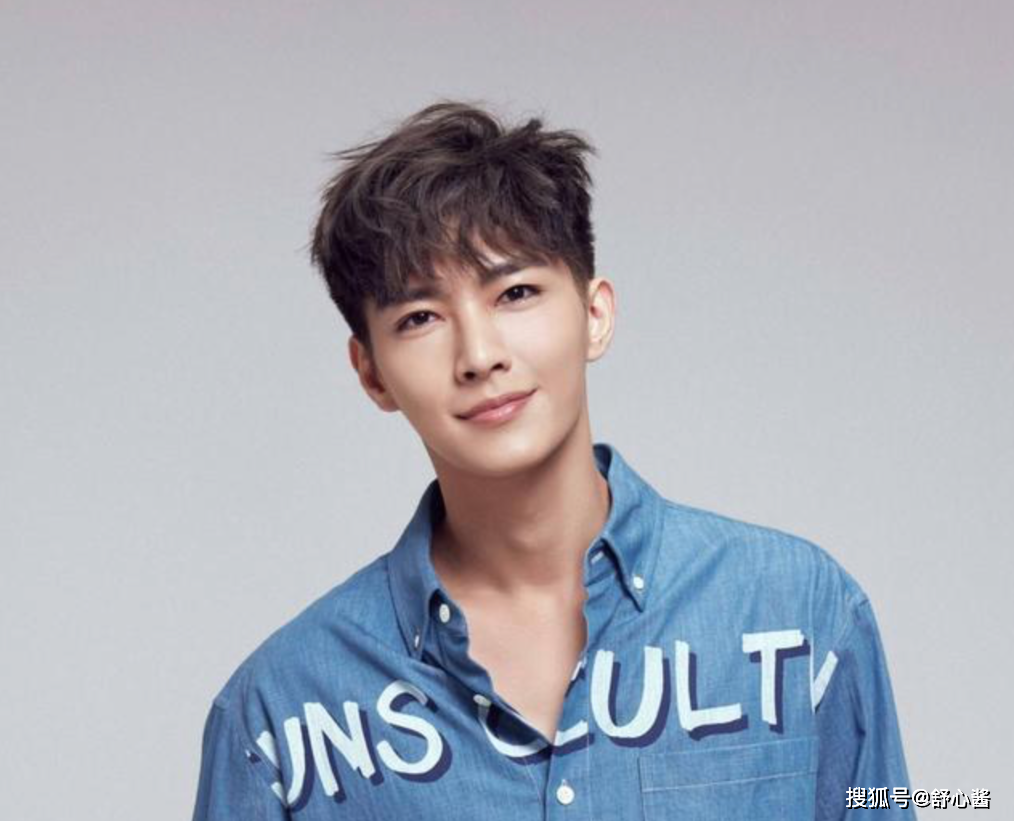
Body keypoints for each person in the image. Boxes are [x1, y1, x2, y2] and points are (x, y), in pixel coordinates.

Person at [191, 101, 917, 820]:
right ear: (371, 372)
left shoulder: (801, 615)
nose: (480, 355)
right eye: (420, 318)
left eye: (515, 293)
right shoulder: (279, 716)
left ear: (594, 314)